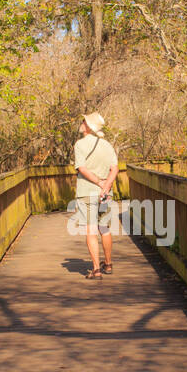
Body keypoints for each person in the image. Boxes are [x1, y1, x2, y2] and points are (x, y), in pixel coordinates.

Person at [72, 112, 118, 279]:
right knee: (105, 228)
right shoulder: (107, 145)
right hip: (105, 193)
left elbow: (82, 168)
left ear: (89, 127)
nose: (82, 122)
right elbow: (115, 169)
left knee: (91, 230)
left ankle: (97, 269)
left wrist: (99, 183)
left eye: (84, 121)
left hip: (86, 192)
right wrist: (106, 186)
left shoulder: (80, 145)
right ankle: (109, 264)